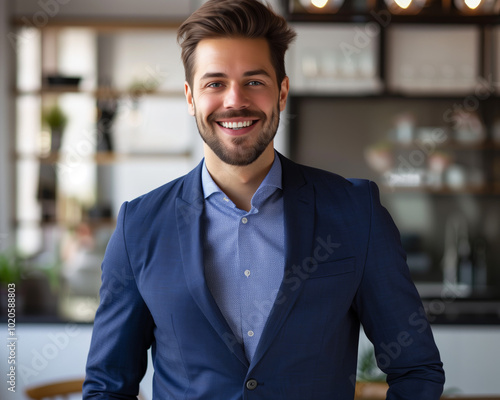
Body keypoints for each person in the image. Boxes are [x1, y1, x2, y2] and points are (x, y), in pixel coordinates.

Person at [83, 0, 445, 399]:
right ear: (190, 97)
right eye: (214, 83)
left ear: (282, 92)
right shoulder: (140, 226)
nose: (234, 100)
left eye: (254, 81)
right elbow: (108, 386)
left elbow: (416, 369)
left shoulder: (355, 213)